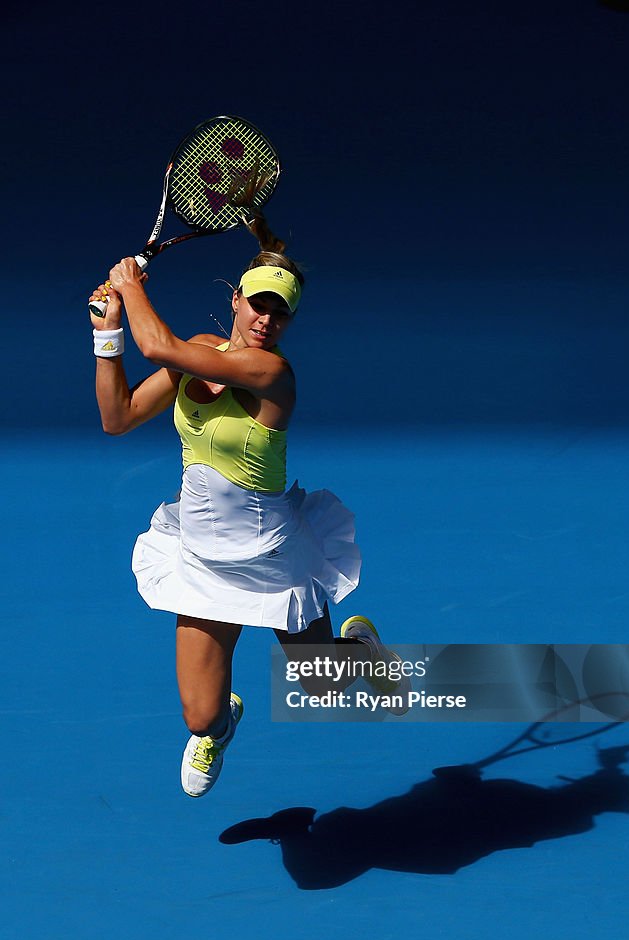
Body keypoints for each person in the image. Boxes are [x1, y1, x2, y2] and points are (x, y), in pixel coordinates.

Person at [90, 213, 408, 799]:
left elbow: (157, 342)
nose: (267, 319)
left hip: (271, 557)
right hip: (202, 558)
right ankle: (223, 726)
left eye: (281, 311)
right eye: (258, 304)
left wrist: (131, 285)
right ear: (235, 301)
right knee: (199, 718)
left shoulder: (272, 373)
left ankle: (359, 648)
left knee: (324, 690)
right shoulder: (199, 353)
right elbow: (118, 417)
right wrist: (107, 335)